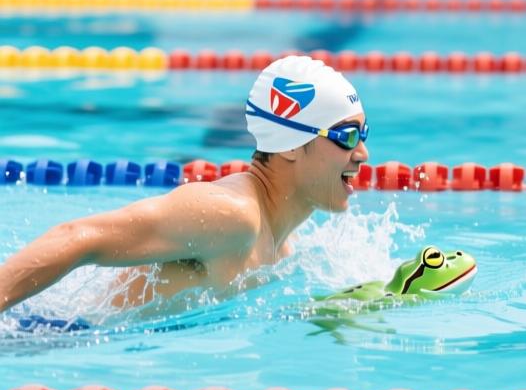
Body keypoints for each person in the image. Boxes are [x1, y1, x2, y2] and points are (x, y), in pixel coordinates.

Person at [0, 55, 369, 314]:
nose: (363, 154)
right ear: (289, 144)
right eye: (347, 136)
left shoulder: (282, 246)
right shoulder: (233, 215)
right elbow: (77, 236)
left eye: (363, 134)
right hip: (56, 334)